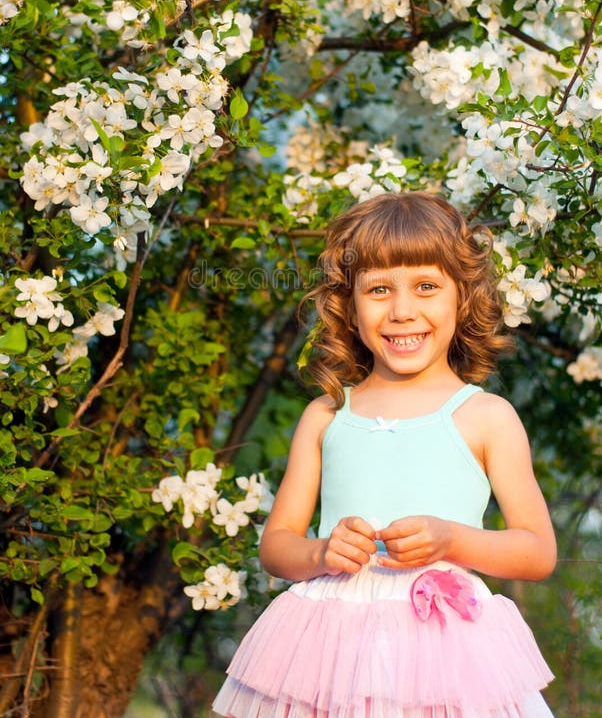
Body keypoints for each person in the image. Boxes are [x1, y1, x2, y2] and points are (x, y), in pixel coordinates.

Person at [213, 191, 557, 718]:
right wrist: (322, 553)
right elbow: (277, 547)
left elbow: (537, 552)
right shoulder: (327, 415)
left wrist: (452, 539)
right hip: (329, 657)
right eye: (378, 289)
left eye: (426, 287)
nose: (402, 311)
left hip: (446, 656)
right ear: (349, 306)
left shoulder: (486, 417)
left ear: (462, 297)